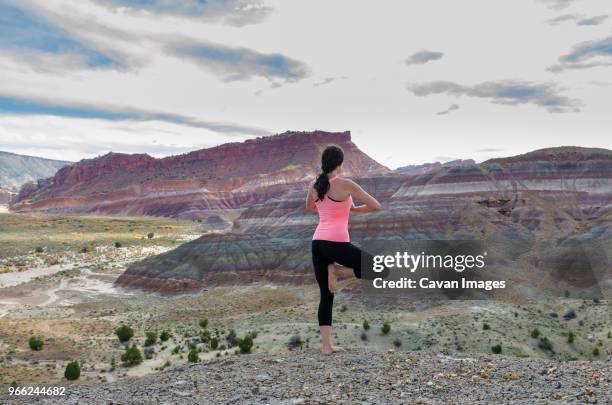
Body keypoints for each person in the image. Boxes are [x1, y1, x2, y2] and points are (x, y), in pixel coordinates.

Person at [305, 145, 382, 354]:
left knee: (326, 295)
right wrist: (352, 208)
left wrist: (328, 208)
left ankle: (327, 347)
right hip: (337, 243)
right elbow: (376, 205)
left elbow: (310, 207)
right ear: (340, 164)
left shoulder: (315, 184)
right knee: (381, 269)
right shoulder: (346, 184)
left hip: (317, 243)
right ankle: (338, 271)